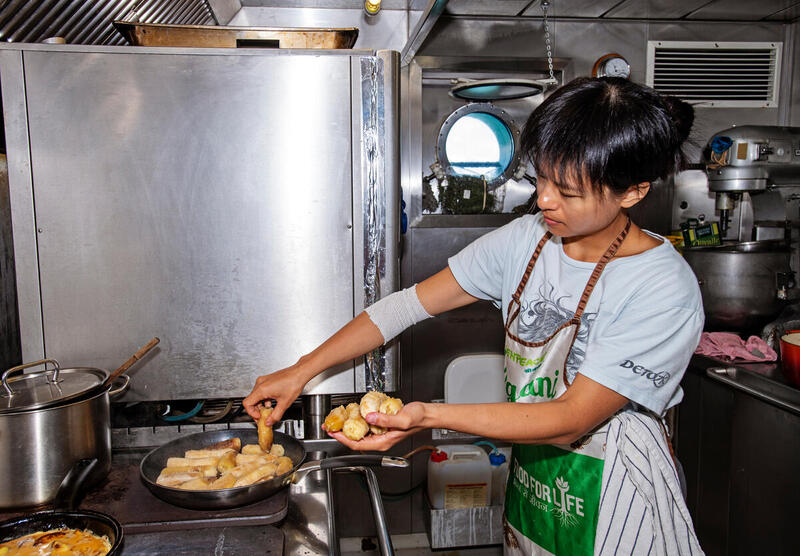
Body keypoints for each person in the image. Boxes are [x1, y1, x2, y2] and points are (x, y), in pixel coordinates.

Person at [244, 77, 705, 555]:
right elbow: (402, 307)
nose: (545, 199)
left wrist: (426, 416)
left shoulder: (661, 287)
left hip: (619, 494)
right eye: (541, 177)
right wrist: (300, 371)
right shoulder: (525, 241)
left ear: (632, 192)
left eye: (567, 191)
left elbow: (570, 418)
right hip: (537, 482)